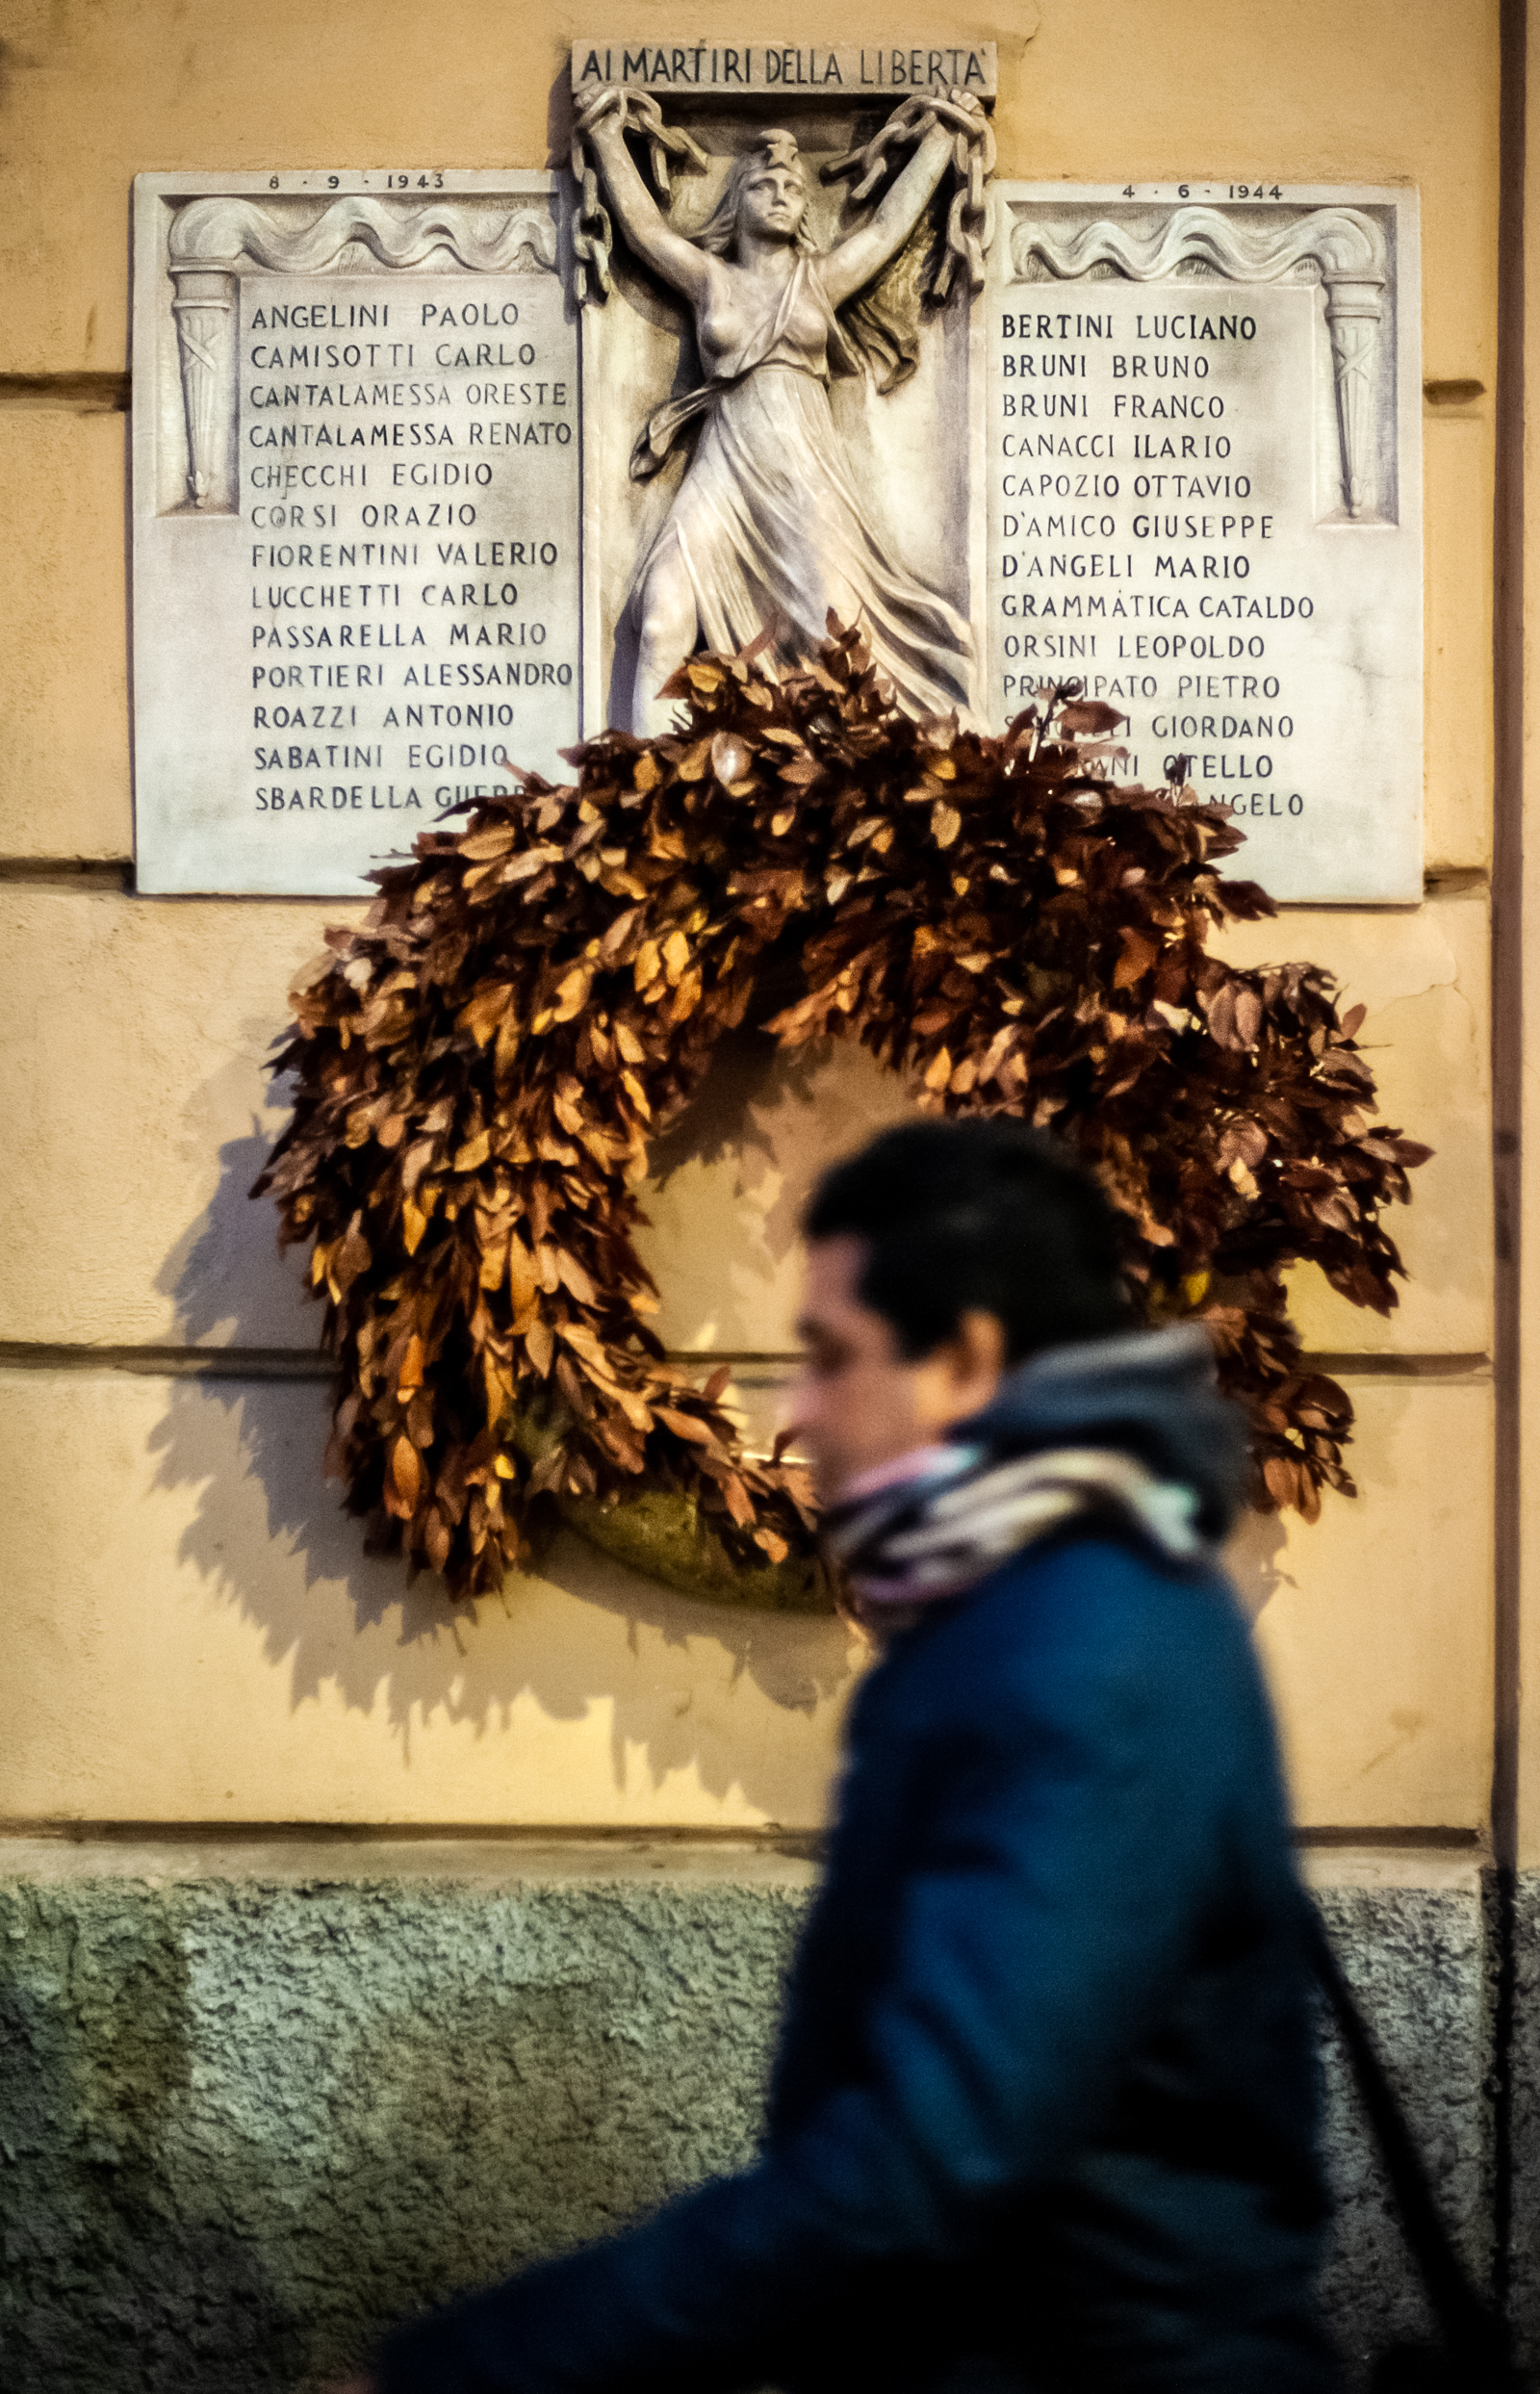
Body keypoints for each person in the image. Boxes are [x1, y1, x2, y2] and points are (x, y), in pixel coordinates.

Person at [355, 1118, 1339, 2394]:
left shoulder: (1086, 1646)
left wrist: (481, 2368)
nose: (797, 1409)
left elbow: (933, 2157)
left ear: (967, 1364)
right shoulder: (1031, 1607)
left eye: (833, 1355)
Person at [576, 90, 979, 733]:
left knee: (834, 641)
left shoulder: (819, 281)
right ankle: (642, 800)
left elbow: (884, 230)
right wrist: (601, 135)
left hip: (805, 477)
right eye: (767, 184)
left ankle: (847, 809)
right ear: (738, 203)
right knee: (660, 619)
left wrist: (942, 138)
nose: (786, 192)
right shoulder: (711, 280)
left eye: (794, 185)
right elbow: (646, 231)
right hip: (724, 473)